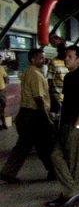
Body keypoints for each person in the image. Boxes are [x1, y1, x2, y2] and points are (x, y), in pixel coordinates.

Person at [0, 48, 55, 184]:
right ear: (33, 59)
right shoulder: (35, 74)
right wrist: (47, 118)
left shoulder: (29, 72)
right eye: (41, 58)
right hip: (33, 115)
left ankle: (8, 172)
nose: (43, 60)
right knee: (42, 143)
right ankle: (53, 170)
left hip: (26, 114)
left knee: (32, 144)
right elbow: (38, 98)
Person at [46, 46, 79, 207]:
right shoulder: (68, 77)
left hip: (76, 125)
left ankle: (68, 193)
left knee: (72, 161)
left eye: (70, 57)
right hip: (65, 124)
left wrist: (78, 125)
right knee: (55, 156)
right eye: (66, 56)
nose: (66, 59)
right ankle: (71, 191)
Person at [48, 36, 68, 118]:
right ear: (59, 52)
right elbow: (49, 80)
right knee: (55, 118)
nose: (65, 54)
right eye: (63, 51)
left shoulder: (67, 62)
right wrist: (51, 96)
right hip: (56, 97)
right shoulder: (54, 62)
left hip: (66, 97)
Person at [0, 61, 8, 129]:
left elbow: (6, 78)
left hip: (2, 90)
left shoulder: (1, 68)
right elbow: (6, 79)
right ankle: (3, 123)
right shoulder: (1, 68)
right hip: (2, 91)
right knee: (2, 108)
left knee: (2, 108)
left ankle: (3, 123)